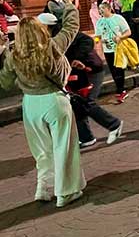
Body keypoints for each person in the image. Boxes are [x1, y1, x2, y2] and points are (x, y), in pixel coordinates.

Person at [0, 0, 85, 207]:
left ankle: (43, 188)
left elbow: (5, 83)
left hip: (30, 104)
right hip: (54, 101)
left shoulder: (13, 56)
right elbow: (71, 25)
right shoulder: (53, 47)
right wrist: (66, 3)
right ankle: (65, 192)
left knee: (42, 151)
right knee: (63, 147)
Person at [36, 13, 124, 148]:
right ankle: (86, 137)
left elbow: (88, 41)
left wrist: (78, 58)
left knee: (86, 102)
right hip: (74, 73)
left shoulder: (65, 33)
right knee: (76, 104)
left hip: (90, 69)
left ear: (47, 26)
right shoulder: (48, 38)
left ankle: (114, 124)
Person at [95, 2, 131, 104]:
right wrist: (99, 41)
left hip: (118, 48)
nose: (100, 11)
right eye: (99, 9)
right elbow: (97, 36)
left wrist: (120, 37)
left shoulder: (118, 18)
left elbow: (128, 32)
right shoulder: (99, 22)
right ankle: (119, 88)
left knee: (118, 69)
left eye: (102, 9)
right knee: (112, 70)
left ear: (109, 8)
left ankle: (121, 90)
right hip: (107, 49)